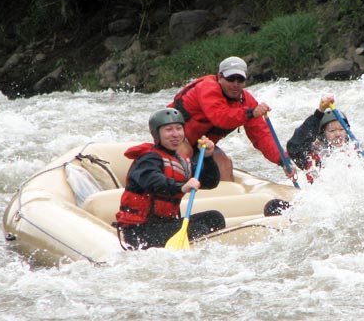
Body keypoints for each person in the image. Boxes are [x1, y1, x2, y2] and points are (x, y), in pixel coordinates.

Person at [286, 95, 364, 224]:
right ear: (322, 133)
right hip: (324, 210)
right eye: (332, 130)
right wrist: (319, 112)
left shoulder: (358, 156)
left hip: (354, 210)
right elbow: (294, 146)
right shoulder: (312, 156)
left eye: (341, 129)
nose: (338, 134)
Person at [168, 56, 296, 182]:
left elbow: (262, 136)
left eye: (240, 79)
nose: (235, 84)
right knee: (185, 151)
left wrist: (283, 161)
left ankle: (223, 202)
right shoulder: (207, 88)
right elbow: (221, 117)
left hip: (201, 144)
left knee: (225, 164)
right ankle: (175, 192)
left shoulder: (247, 101)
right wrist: (251, 113)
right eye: (230, 79)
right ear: (219, 77)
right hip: (172, 137)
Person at [114, 108, 226, 250]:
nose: (175, 134)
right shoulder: (147, 159)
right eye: (169, 129)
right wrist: (181, 187)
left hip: (166, 224)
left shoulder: (181, 161)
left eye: (179, 128)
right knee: (198, 229)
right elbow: (154, 182)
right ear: (157, 134)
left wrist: (208, 158)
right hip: (140, 230)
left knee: (214, 218)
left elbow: (210, 182)